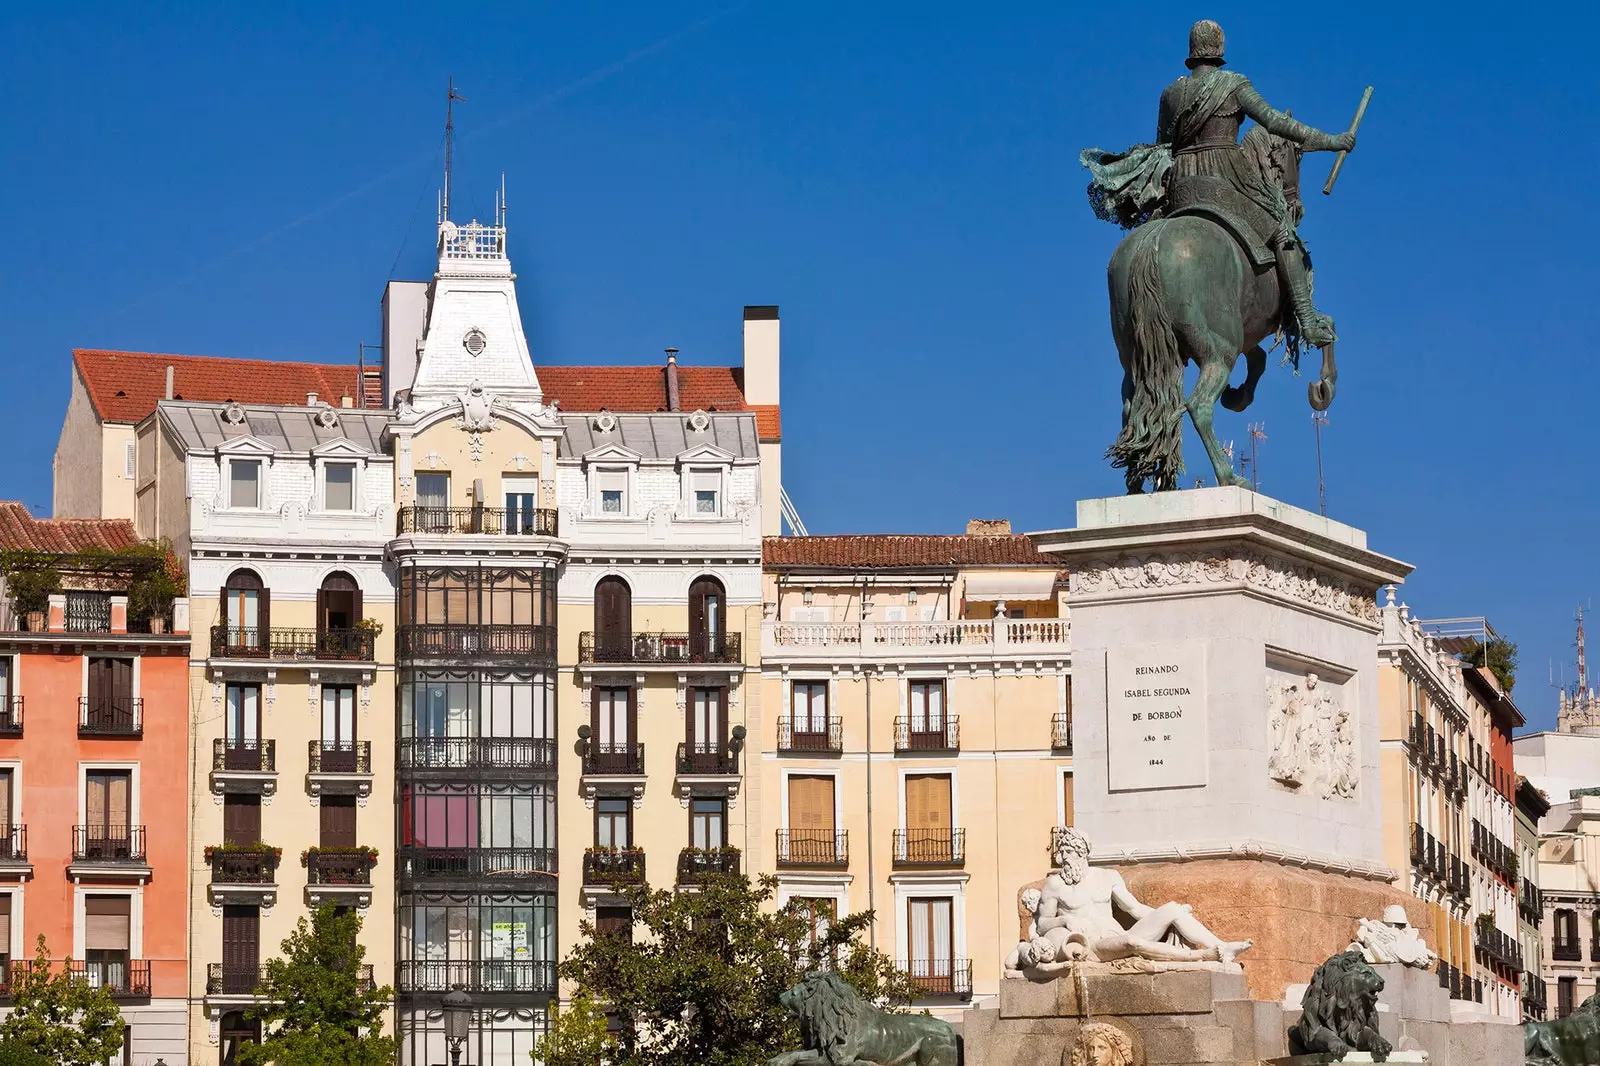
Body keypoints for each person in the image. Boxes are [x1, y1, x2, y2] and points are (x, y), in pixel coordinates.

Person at [1085, 20, 1354, 349]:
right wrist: (1332, 140)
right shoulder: (1234, 84)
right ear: (1219, 49)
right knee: (1283, 231)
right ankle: (1308, 320)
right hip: (1224, 178)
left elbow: (1163, 146)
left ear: (1192, 52)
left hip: (1181, 184)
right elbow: (1276, 122)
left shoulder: (1171, 93)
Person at [1032, 827, 1253, 965]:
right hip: (1094, 946)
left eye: (1068, 852)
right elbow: (1042, 925)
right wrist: (1064, 919)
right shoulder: (1055, 884)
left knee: (1173, 909)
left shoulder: (1108, 876)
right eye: (1061, 852)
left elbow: (1135, 909)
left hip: (1117, 934)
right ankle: (1200, 958)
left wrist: (1164, 917)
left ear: (1082, 853)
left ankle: (1222, 947)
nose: (1063, 858)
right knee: (1130, 941)